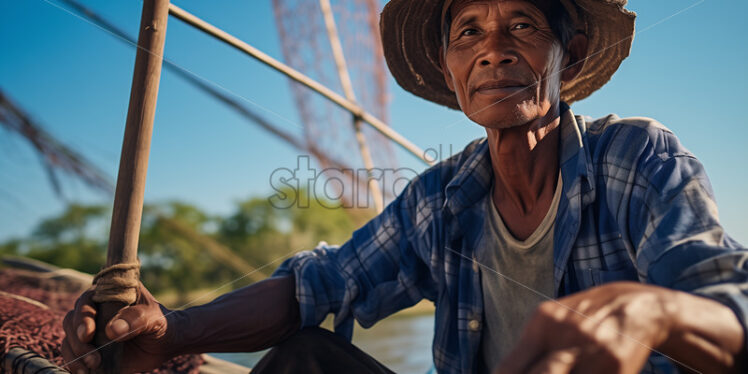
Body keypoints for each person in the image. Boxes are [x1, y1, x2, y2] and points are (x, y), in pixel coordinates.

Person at [62, 0, 748, 373]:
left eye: (523, 25)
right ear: (452, 71)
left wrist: (652, 314)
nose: (493, 48)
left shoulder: (636, 156)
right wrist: (174, 329)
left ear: (564, 56)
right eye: (469, 31)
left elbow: (732, 316)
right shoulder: (439, 199)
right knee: (305, 358)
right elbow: (322, 285)